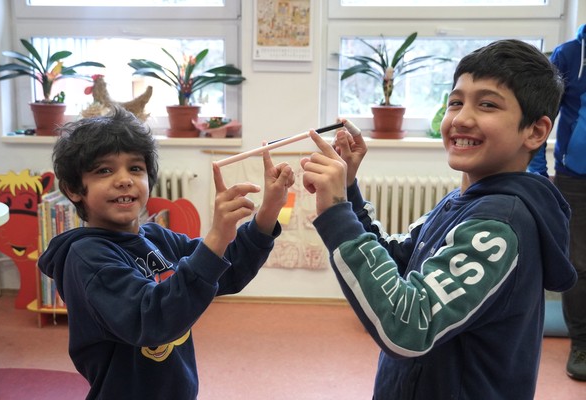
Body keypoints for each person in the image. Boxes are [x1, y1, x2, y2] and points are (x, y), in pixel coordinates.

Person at [301, 40, 577, 399]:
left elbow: (408, 327)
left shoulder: (498, 227)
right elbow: (397, 259)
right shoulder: (463, 202)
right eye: (456, 102)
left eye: (488, 104)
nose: (461, 119)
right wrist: (348, 190)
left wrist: (337, 212)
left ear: (535, 131)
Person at [37, 106, 294, 400]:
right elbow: (152, 320)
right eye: (104, 170)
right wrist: (216, 236)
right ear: (73, 189)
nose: (124, 179)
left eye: (135, 168)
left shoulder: (157, 238)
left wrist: (269, 210)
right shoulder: (87, 258)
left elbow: (228, 269)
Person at [528, 24, 586, 381]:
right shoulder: (569, 55)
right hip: (575, 178)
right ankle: (581, 343)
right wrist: (537, 171)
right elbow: (541, 115)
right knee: (578, 263)